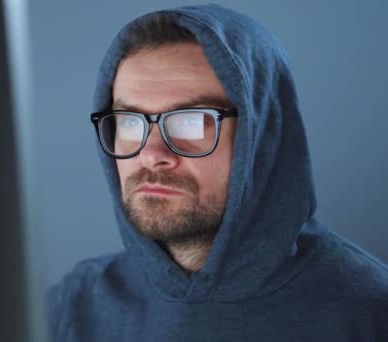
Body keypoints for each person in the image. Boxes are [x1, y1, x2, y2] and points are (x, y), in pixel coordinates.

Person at [47, 4, 388, 341]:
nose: (151, 155)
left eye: (191, 122)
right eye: (130, 122)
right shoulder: (73, 306)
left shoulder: (370, 312)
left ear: (263, 135)